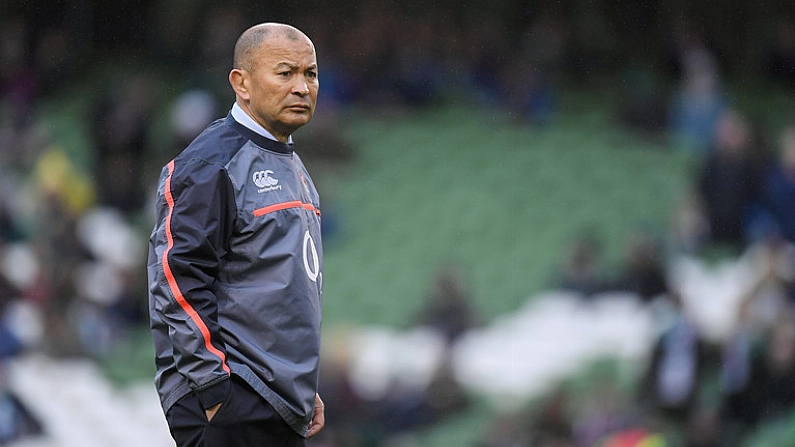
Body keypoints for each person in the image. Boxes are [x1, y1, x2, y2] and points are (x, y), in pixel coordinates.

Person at [147, 22, 325, 446]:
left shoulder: (291, 163)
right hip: (234, 396)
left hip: (277, 398)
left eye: (311, 74)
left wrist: (297, 387)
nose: (302, 87)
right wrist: (214, 389)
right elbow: (175, 276)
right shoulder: (212, 163)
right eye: (285, 73)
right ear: (241, 83)